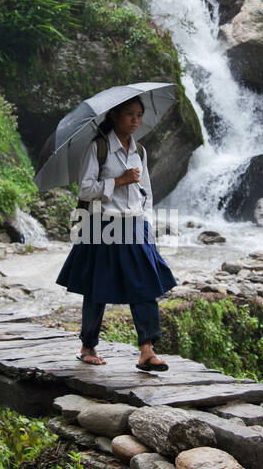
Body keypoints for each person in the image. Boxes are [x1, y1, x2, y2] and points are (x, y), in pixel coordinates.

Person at [55, 97, 177, 371]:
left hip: (135, 225)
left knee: (145, 284)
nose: (135, 120)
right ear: (114, 116)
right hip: (105, 225)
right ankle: (88, 346)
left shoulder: (140, 151)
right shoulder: (97, 148)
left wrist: (147, 224)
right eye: (129, 115)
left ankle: (147, 350)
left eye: (139, 115)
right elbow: (85, 189)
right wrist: (118, 181)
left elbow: (146, 192)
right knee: (97, 287)